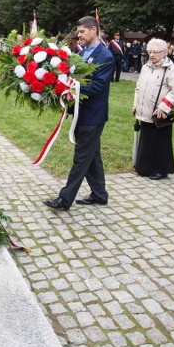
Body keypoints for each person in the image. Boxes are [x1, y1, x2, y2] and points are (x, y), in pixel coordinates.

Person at [45, 16, 114, 210]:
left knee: (82, 157)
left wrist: (71, 87)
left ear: (94, 30)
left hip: (93, 116)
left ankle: (65, 199)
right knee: (92, 156)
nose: (79, 35)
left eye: (82, 31)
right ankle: (99, 194)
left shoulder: (105, 56)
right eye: (78, 31)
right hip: (81, 112)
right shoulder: (82, 53)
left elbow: (98, 86)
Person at [132, 38, 174, 180]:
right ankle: (144, 167)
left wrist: (164, 106)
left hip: (159, 113)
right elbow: (138, 87)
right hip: (145, 109)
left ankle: (161, 169)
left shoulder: (170, 69)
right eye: (150, 52)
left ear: (164, 52)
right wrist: (136, 104)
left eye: (156, 52)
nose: (152, 55)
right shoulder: (146, 67)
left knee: (160, 141)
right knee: (146, 139)